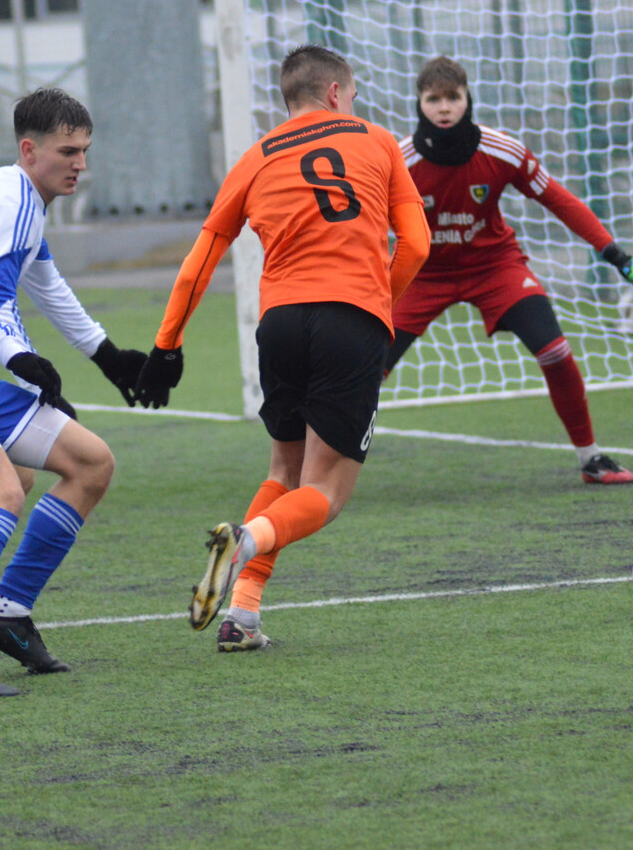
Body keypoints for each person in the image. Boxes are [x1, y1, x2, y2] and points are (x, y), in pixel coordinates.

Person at [135, 43, 430, 651]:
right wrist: (379, 306)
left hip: (280, 323)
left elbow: (198, 264)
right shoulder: (378, 141)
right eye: (350, 95)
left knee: (284, 470)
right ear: (333, 94)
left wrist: (167, 347)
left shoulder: (253, 158)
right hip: (350, 316)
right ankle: (245, 542)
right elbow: (418, 245)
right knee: (324, 491)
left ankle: (241, 615)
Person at [0, 35, 114, 698]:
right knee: (4, 486)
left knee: (70, 466)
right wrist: (21, 362)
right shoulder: (8, 200)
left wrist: (25, 359)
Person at [388, 56, 633, 485]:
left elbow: (560, 201)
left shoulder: (502, 150)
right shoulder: (397, 162)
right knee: (363, 369)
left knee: (554, 350)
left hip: (495, 267)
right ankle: (315, 468)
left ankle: (591, 458)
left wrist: (619, 258)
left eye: (452, 97)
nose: (443, 108)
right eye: (433, 98)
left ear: (467, 99)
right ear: (419, 103)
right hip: (422, 275)